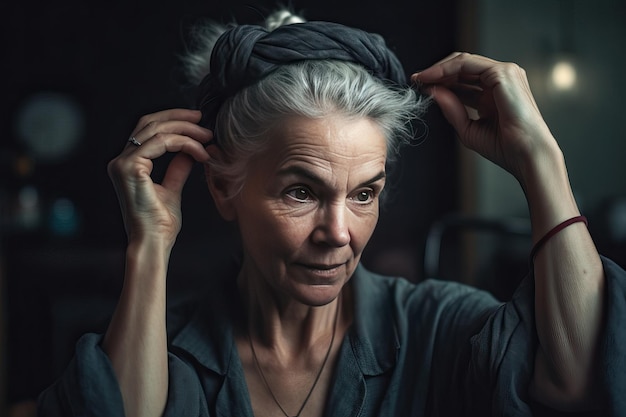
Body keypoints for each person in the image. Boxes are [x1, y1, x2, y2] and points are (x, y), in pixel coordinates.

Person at [38, 9, 626, 417]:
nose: (339, 234)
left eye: (364, 194)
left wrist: (542, 162)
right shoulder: (161, 348)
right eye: (301, 192)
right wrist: (149, 246)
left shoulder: (440, 329)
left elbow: (584, 380)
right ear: (223, 188)